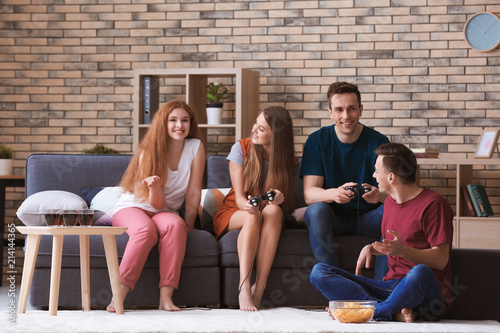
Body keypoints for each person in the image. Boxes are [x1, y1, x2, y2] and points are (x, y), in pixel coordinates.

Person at [310, 143, 454, 322]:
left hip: (424, 292)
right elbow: (394, 246)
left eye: (377, 171)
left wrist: (402, 251)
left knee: (420, 272)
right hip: (389, 288)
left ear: (391, 177)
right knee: (319, 272)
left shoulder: (434, 205)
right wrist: (372, 248)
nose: (373, 175)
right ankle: (392, 311)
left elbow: (441, 260)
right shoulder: (389, 204)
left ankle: (368, 311)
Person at [107, 100, 205, 312]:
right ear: (163, 123)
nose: (179, 125)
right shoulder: (149, 151)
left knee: (176, 226)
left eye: (185, 120)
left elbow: (194, 191)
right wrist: (156, 186)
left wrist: (189, 226)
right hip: (133, 207)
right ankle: (119, 294)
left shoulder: (195, 147)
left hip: (164, 212)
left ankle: (166, 298)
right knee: (146, 230)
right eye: (173, 120)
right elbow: (155, 201)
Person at [300, 81, 390, 279]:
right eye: (339, 110)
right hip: (332, 217)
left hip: (369, 217)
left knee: (392, 208)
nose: (346, 116)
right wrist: (334, 194)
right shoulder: (317, 141)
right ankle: (335, 287)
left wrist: (380, 195)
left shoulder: (379, 141)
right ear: (330, 112)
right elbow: (309, 193)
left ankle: (382, 291)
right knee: (316, 210)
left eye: (351, 109)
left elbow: (394, 191)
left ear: (361, 110)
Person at [213, 106, 297, 311]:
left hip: (265, 213)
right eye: (255, 125)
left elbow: (283, 207)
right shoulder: (241, 148)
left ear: (276, 135)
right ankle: (243, 288)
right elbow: (240, 198)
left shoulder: (289, 160)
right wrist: (250, 207)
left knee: (274, 211)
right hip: (234, 211)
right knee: (252, 216)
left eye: (261, 129)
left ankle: (259, 288)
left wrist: (278, 199)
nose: (254, 130)